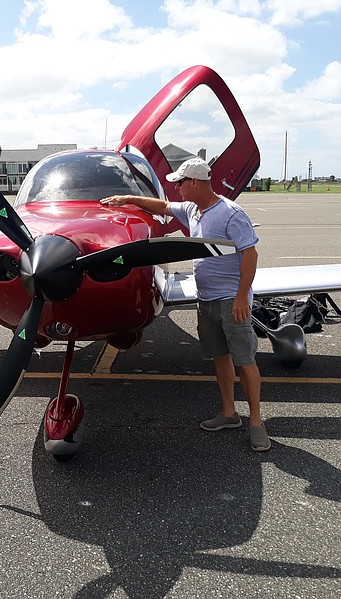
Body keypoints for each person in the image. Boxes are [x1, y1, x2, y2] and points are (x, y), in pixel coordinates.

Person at [100, 157, 270, 451]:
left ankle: (256, 422)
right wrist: (125, 198)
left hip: (232, 300)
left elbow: (250, 255)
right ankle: (229, 413)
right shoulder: (192, 209)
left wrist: (242, 296)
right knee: (220, 358)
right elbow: (163, 207)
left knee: (245, 361)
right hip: (206, 300)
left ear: (194, 182)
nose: (175, 188)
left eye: (180, 183)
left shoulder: (231, 214)